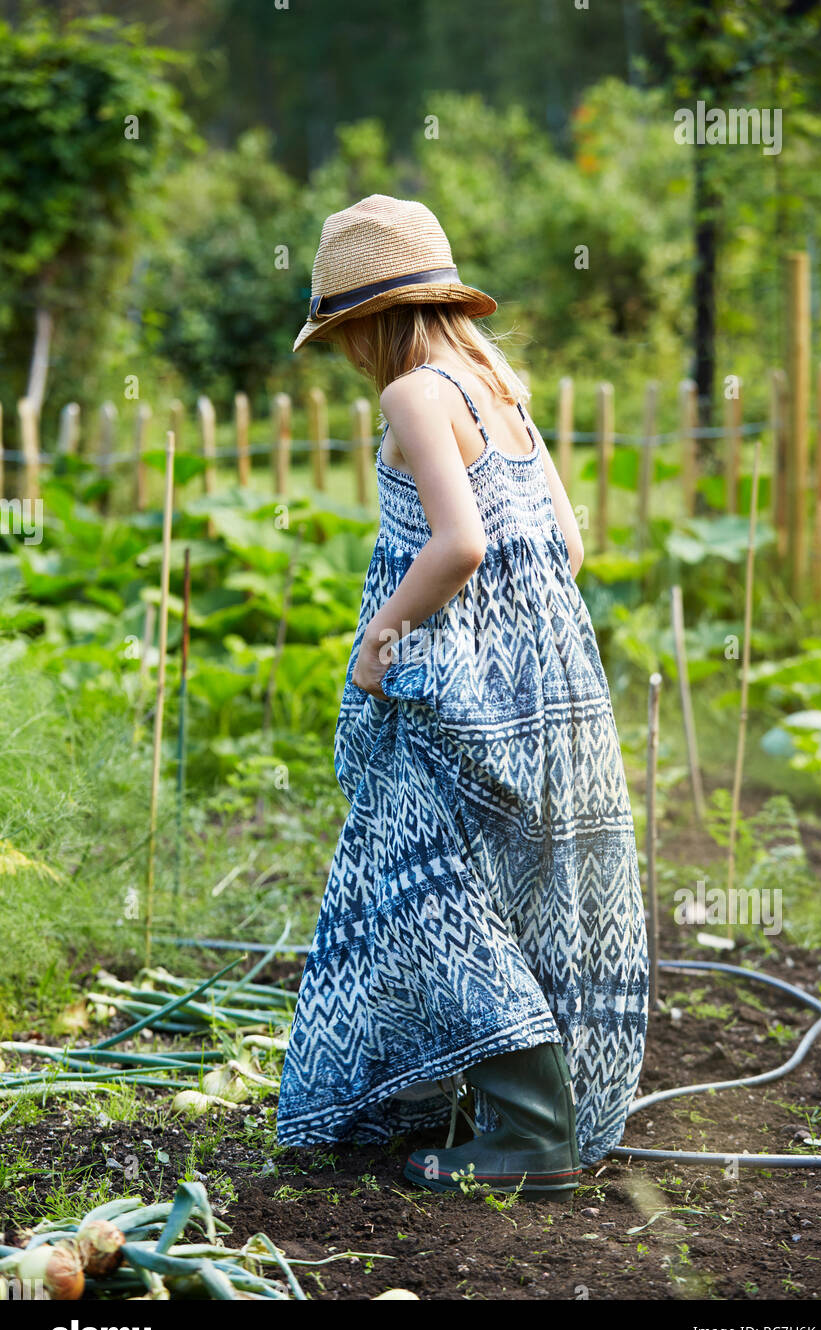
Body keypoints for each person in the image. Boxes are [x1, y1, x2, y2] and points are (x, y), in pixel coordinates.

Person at [276, 194, 648, 1198]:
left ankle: (529, 1133)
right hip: (550, 679)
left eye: (344, 334)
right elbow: (564, 546)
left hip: (455, 679)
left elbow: (460, 544)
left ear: (363, 322)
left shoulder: (409, 394)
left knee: (431, 887)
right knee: (499, 883)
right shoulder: (495, 382)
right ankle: (484, 1103)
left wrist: (376, 645)